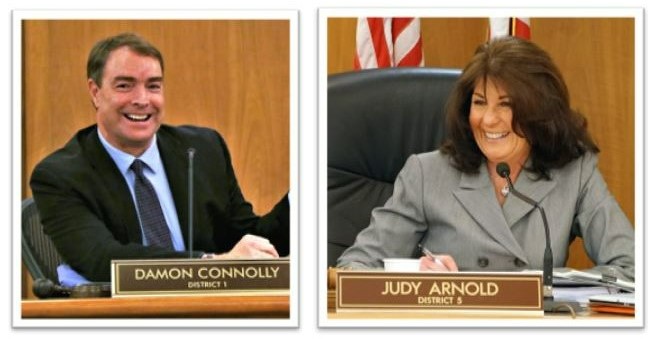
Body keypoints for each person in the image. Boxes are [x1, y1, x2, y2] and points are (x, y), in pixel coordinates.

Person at [337, 36, 634, 281]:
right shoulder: (427, 173)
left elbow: (631, 268)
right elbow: (354, 267)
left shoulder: (574, 172)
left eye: (506, 105)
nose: (489, 120)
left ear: (540, 112)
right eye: (479, 103)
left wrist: (550, 288)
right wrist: (416, 277)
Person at [30, 33, 289, 286]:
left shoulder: (204, 150)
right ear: (95, 92)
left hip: (213, 316)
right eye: (124, 85)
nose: (142, 100)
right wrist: (210, 265)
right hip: (124, 321)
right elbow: (102, 261)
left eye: (153, 86)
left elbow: (248, 238)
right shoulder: (59, 176)